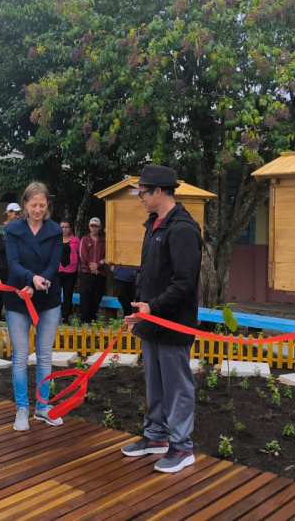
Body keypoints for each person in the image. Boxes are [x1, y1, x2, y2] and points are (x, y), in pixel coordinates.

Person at [123, 164, 203, 474]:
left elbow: (184, 283)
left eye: (142, 192)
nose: (140, 197)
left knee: (177, 386)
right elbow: (150, 273)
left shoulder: (183, 228)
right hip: (151, 320)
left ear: (158, 192)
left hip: (172, 323)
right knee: (154, 384)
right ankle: (155, 436)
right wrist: (140, 310)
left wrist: (152, 307)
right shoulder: (155, 225)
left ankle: (182, 447)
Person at [3, 182, 64, 431]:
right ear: (25, 205)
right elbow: (13, 263)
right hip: (19, 296)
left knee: (45, 354)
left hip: (48, 296)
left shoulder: (55, 230)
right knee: (20, 356)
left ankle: (42, 406)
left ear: (47, 205)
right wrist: (30, 280)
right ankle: (21, 408)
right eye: (33, 204)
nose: (37, 209)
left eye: (42, 205)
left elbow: (53, 264)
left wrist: (40, 282)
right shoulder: (13, 229)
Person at [0, 203, 20, 323]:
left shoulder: (20, 228)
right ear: (9, 213)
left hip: (17, 265)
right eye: (15, 213)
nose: (17, 216)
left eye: (19, 214)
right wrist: (13, 244)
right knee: (2, 290)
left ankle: (14, 314)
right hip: (3, 264)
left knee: (16, 290)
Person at [78, 217, 107, 323]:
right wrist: (91, 266)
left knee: (97, 296)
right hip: (86, 272)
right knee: (84, 295)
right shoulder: (85, 239)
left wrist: (98, 265)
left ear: (100, 227)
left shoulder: (104, 241)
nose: (94, 229)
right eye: (92, 226)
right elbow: (82, 255)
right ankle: (84, 319)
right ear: (89, 226)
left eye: (96, 226)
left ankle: (92, 318)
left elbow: (107, 256)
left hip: (100, 272)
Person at [58, 219, 79, 321]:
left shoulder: (76, 241)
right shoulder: (55, 240)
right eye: (62, 227)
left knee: (68, 294)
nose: (64, 229)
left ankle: (65, 317)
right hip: (57, 271)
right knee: (54, 293)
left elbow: (80, 255)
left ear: (70, 229)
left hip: (71, 271)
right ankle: (53, 315)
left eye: (66, 227)